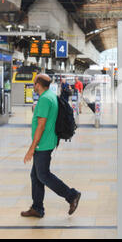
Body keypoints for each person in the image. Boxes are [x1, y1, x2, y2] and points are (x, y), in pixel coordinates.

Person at [21, 74, 81, 218]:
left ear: (38, 84)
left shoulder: (44, 100)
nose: (33, 85)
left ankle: (71, 195)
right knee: (35, 176)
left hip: (43, 144)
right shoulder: (51, 96)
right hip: (48, 141)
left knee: (43, 175)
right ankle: (37, 207)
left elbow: (41, 126)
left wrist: (31, 148)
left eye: (34, 83)